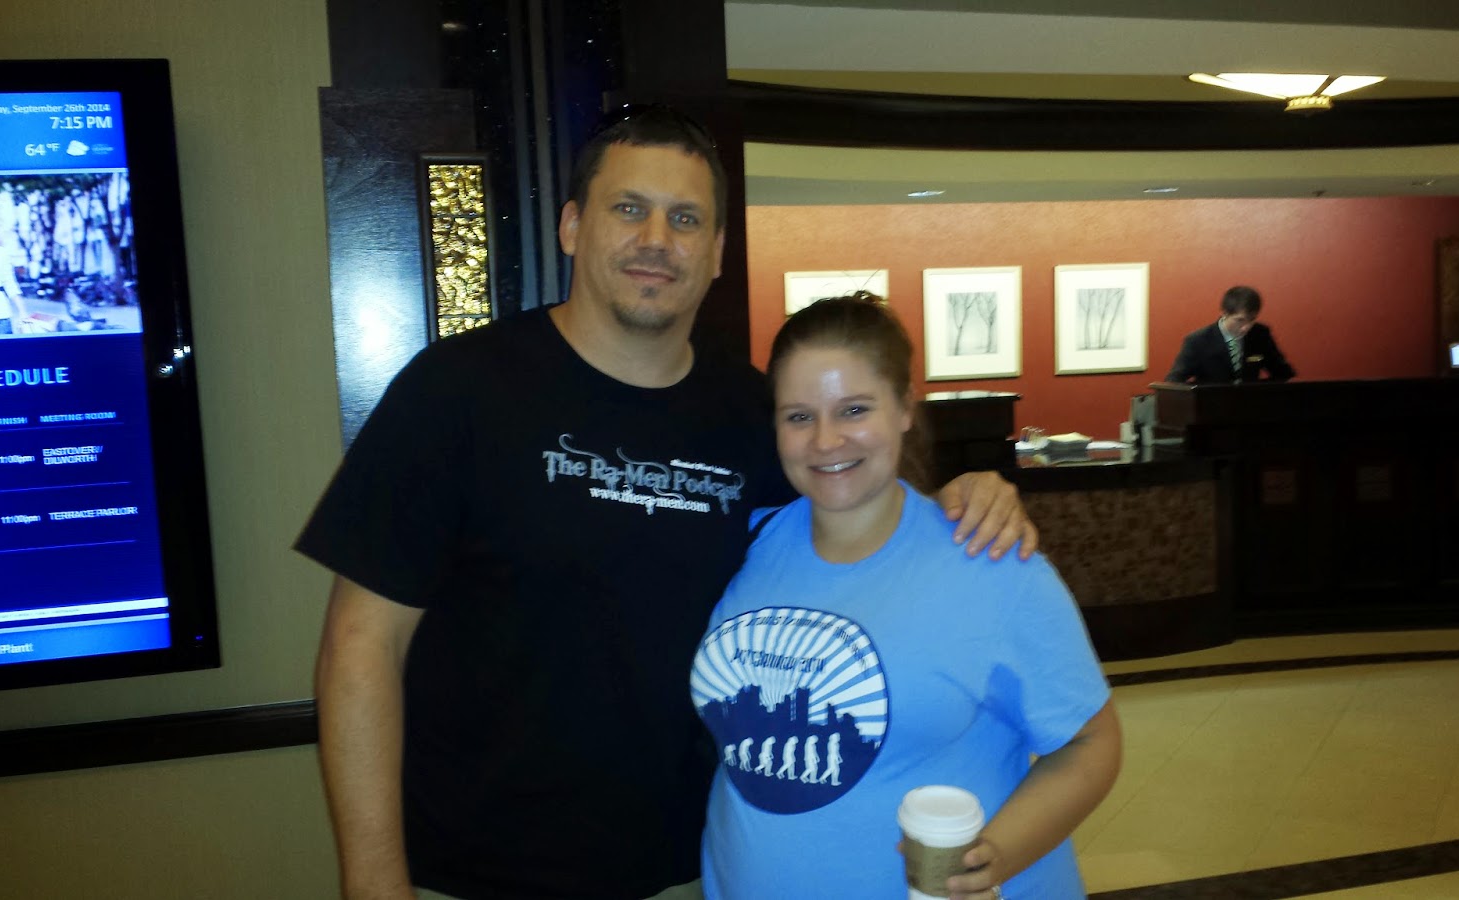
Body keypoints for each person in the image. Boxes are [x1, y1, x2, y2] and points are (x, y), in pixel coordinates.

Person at [296, 107, 1038, 900]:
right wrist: (373, 882)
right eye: (629, 209)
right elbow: (361, 648)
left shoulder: (756, 417)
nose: (657, 239)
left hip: (691, 869)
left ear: (715, 252)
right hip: (473, 872)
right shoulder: (456, 391)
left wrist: (957, 497)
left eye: (686, 219)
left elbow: (864, 532)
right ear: (573, 226)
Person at [691, 294, 1122, 900]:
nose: (825, 440)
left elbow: (1091, 743)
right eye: (799, 416)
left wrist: (993, 857)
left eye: (854, 409)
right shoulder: (754, 541)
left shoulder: (990, 561)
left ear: (903, 408)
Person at [1165, 285, 1295, 384]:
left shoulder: (1260, 334)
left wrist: (1258, 391)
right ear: (1224, 313)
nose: (1246, 327)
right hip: (1211, 407)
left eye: (1251, 320)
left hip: (1251, 407)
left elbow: (1283, 373)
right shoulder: (1198, 341)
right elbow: (1174, 380)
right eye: (1240, 320)